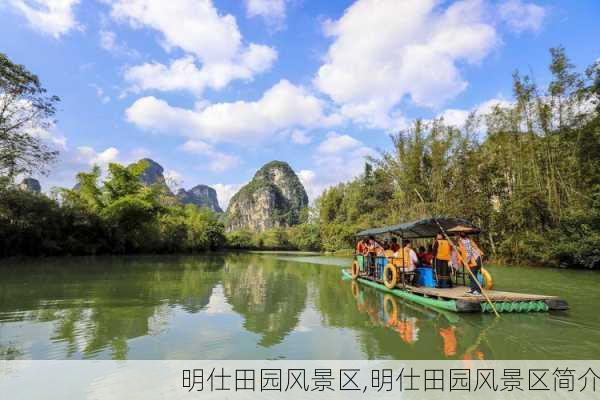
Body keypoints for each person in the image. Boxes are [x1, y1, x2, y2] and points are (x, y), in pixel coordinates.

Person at [458, 232, 484, 296]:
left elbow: (469, 252)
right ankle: (472, 289)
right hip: (472, 260)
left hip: (474, 260)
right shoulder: (464, 240)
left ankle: (478, 291)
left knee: (473, 275)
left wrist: (466, 262)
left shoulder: (466, 241)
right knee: (471, 275)